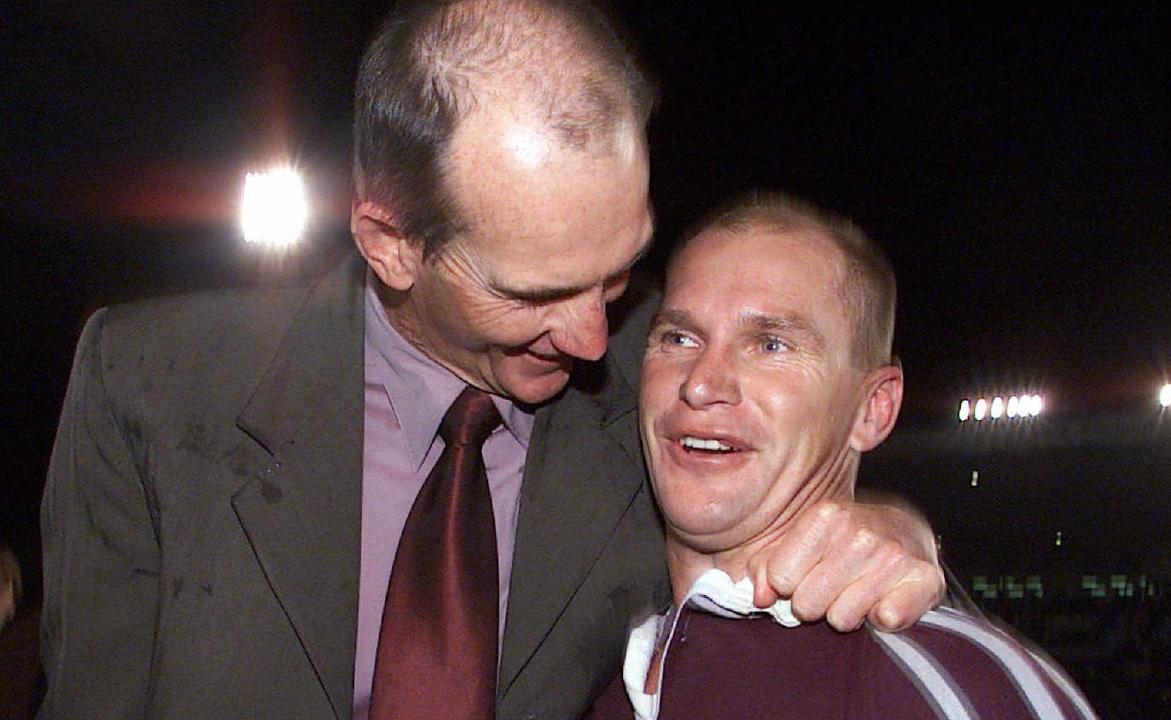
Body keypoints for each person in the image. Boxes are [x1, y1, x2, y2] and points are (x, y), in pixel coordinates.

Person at [39, 3, 944, 719]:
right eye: (534, 295)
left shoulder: (666, 385)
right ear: (390, 244)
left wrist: (891, 530)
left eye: (618, 270)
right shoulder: (152, 385)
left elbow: (828, 548)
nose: (594, 338)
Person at [587, 193, 1098, 719]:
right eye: (679, 337)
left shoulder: (957, 684)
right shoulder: (583, 674)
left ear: (872, 410)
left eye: (770, 345)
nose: (702, 384)